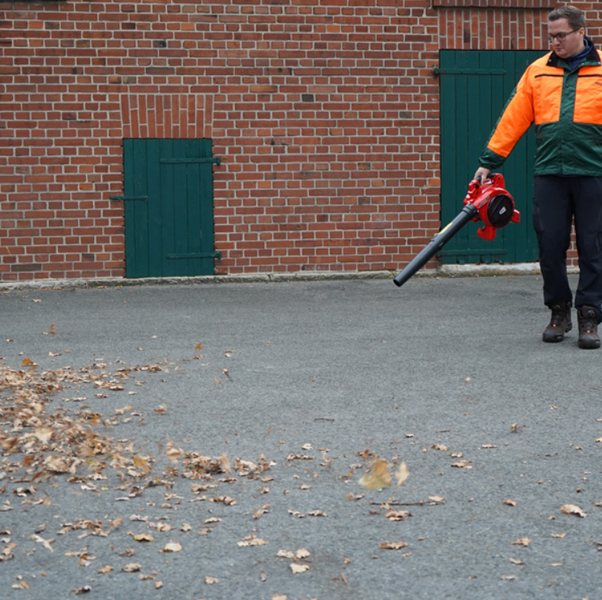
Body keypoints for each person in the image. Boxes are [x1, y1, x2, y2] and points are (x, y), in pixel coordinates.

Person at [474, 5, 602, 349]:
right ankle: (558, 311)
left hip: (594, 174)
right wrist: (490, 161)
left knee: (594, 247)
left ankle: (589, 314)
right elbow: (513, 119)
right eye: (551, 37)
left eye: (561, 35)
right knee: (549, 244)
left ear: (580, 31)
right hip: (550, 173)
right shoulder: (537, 71)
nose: (555, 42)